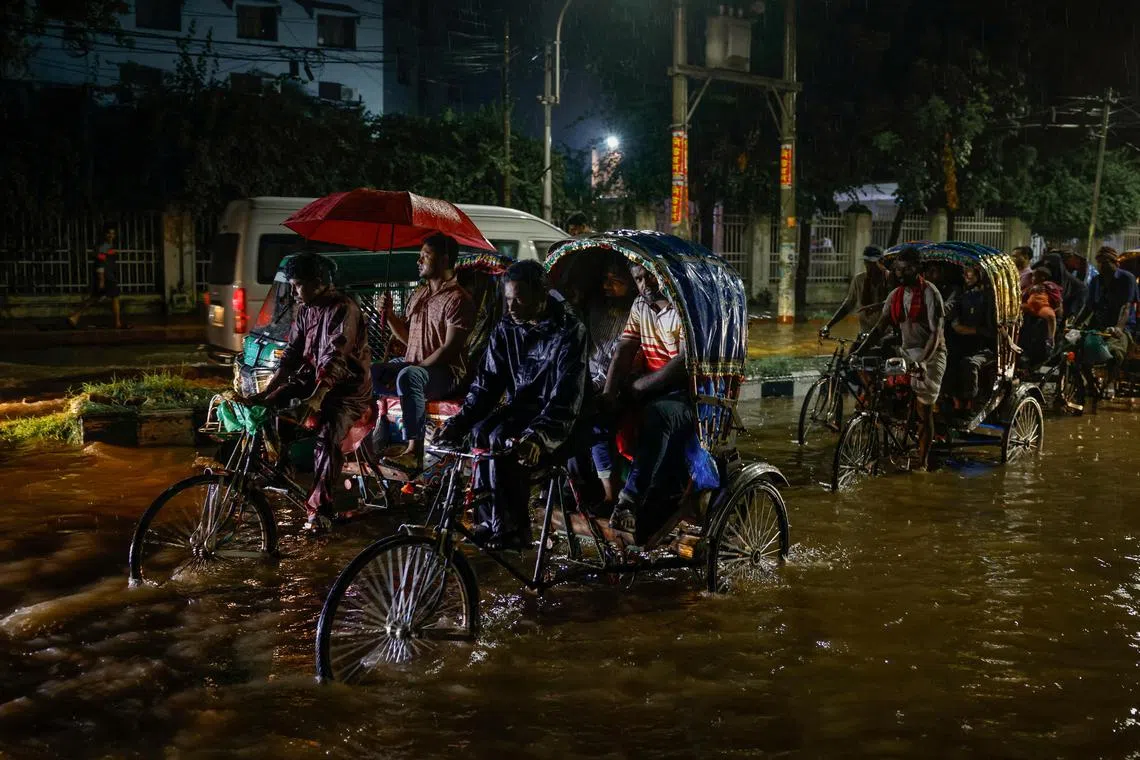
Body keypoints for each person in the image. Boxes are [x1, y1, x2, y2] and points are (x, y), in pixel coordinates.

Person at [435, 260, 588, 551]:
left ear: (541, 295)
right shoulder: (507, 327)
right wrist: (457, 424)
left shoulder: (570, 330)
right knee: (481, 432)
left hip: (561, 420)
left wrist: (539, 436)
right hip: (523, 410)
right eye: (508, 300)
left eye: (519, 299)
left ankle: (514, 530)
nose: (512, 307)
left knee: (503, 439)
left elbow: (567, 396)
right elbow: (487, 384)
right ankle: (488, 521)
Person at [249, 252, 372, 534]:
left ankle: (321, 511)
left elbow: (335, 359)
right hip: (311, 382)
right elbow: (292, 353)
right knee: (269, 409)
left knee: (327, 437)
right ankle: (279, 469)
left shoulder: (343, 309)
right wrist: (268, 391)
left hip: (346, 391)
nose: (294, 292)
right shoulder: (306, 310)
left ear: (317, 283)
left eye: (298, 285)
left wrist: (317, 398)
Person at [371, 233, 474, 477]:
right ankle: (374, 432)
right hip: (416, 367)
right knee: (372, 372)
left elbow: (450, 349)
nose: (419, 261)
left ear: (444, 259)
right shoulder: (419, 295)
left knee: (409, 376)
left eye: (425, 255)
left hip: (446, 374)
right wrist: (389, 315)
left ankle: (414, 452)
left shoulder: (458, 299)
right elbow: (408, 338)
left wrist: (417, 368)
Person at [604, 261, 692, 544]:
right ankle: (598, 492)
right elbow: (624, 349)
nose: (647, 285)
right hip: (653, 388)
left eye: (651, 278)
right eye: (639, 280)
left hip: (688, 396)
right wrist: (608, 394)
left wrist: (640, 387)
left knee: (657, 415)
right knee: (599, 412)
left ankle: (629, 500)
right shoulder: (640, 307)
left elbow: (682, 365)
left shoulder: (683, 308)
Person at [859, 247, 946, 470]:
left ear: (917, 268)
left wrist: (923, 362)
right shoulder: (895, 295)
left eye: (905, 269)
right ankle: (879, 450)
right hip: (906, 352)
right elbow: (880, 328)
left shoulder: (930, 293)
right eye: (898, 269)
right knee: (880, 398)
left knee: (923, 410)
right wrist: (858, 351)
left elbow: (936, 333)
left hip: (932, 354)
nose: (899, 273)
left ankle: (922, 463)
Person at [572, 260, 636, 510]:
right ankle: (578, 489)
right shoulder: (594, 309)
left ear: (630, 286)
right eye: (605, 280)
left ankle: (611, 495)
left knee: (597, 425)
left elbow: (623, 359)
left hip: (620, 383)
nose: (607, 286)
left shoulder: (636, 313)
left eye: (615, 282)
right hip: (588, 380)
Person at [1082, 246, 1138, 399]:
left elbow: (1126, 306)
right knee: (1076, 349)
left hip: (1123, 326)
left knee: (1114, 353)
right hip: (1098, 325)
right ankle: (1091, 383)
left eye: (1106, 262)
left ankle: (1110, 382)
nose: (1101, 266)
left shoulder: (1127, 278)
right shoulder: (1095, 280)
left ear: (1115, 263)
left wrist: (1119, 328)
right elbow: (1089, 307)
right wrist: (1075, 325)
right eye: (1099, 262)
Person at [948, 263, 995, 402]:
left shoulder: (988, 297)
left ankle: (969, 402)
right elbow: (953, 316)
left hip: (984, 346)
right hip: (963, 342)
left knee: (969, 364)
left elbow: (991, 329)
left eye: (969, 273)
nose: (966, 277)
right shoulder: (963, 294)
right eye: (964, 273)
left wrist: (971, 330)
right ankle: (952, 401)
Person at [820, 246, 890, 337]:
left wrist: (876, 307)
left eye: (872, 263)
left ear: (881, 262)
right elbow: (848, 305)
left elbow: (892, 304)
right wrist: (828, 326)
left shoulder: (890, 279)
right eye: (866, 262)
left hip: (885, 333)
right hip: (865, 332)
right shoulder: (859, 280)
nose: (869, 266)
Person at [68, 224, 124, 329]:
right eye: (109, 233)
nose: (111, 236)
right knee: (115, 297)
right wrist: (101, 279)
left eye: (113, 234)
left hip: (107, 276)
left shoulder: (107, 247)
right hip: (107, 277)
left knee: (94, 298)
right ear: (105, 235)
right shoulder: (104, 246)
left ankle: (75, 316)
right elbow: (100, 262)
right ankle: (117, 323)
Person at [1021, 266, 1063, 351]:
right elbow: (1023, 295)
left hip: (1042, 308)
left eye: (1035, 276)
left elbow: (1057, 300)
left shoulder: (1049, 285)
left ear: (1042, 277)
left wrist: (1058, 309)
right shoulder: (1031, 286)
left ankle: (1051, 339)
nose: (1033, 278)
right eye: (1032, 276)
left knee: (1050, 316)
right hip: (1030, 307)